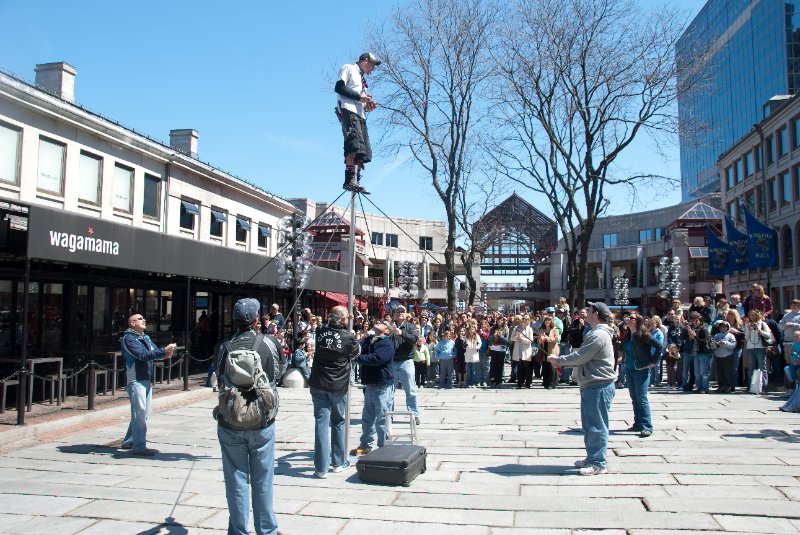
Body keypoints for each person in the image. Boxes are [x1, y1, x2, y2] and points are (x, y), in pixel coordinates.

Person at [215, 298, 282, 535]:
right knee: (263, 479)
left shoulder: (225, 346)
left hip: (232, 419)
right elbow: (278, 373)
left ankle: (238, 530)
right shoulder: (268, 343)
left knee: (236, 479)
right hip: (262, 418)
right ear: (256, 319)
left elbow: (217, 374)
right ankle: (267, 530)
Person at [547, 302, 617, 475]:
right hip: (592, 384)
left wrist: (559, 360)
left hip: (598, 385)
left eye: (590, 310)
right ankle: (592, 457)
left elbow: (581, 356)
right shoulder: (596, 333)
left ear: (596, 314)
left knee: (597, 426)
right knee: (590, 425)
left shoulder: (598, 335)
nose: (585, 313)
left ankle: (598, 463)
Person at [308, 305, 360, 479]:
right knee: (338, 421)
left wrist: (345, 318)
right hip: (337, 384)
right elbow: (355, 353)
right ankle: (337, 462)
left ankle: (321, 468)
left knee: (321, 423)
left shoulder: (321, 331)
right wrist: (349, 324)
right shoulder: (348, 337)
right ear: (344, 320)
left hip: (318, 382)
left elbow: (332, 324)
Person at [120, 313, 176, 456]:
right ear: (132, 323)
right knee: (139, 414)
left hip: (145, 379)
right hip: (135, 380)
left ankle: (129, 440)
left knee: (143, 414)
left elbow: (153, 352)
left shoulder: (145, 337)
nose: (143, 320)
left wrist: (164, 354)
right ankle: (139, 447)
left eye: (143, 318)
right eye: (139, 319)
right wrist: (163, 351)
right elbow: (143, 355)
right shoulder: (129, 339)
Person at [335, 52, 381, 192]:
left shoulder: (362, 80)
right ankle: (348, 180)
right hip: (348, 111)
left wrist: (368, 106)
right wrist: (359, 97)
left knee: (363, 150)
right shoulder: (348, 68)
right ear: (366, 61)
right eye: (373, 65)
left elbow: (360, 101)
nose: (373, 69)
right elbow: (339, 88)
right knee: (353, 145)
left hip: (360, 115)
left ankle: (356, 180)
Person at [351, 320, 395, 456]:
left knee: (382, 419)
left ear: (387, 331)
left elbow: (377, 358)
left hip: (382, 384)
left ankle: (384, 446)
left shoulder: (386, 343)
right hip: (370, 384)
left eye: (383, 323)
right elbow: (355, 348)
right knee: (367, 417)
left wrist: (358, 358)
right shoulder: (370, 340)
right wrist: (363, 338)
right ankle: (365, 444)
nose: (378, 322)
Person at [624, 314, 661, 437]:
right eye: (628, 317)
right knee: (634, 398)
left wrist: (653, 362)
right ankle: (638, 423)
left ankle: (647, 426)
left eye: (632, 318)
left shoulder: (643, 334)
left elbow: (659, 346)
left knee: (641, 398)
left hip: (641, 369)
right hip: (630, 369)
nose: (629, 319)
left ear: (638, 321)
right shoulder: (628, 335)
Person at [390, 306, 421, 423]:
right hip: (393, 361)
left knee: (411, 390)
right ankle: (389, 414)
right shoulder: (390, 326)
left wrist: (402, 332)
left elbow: (414, 339)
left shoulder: (410, 327)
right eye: (398, 312)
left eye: (402, 311)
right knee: (389, 391)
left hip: (406, 362)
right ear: (394, 315)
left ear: (406, 314)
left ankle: (414, 414)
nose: (400, 313)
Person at [680, 312, 712, 393]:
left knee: (703, 372)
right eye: (694, 320)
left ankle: (705, 388)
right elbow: (683, 338)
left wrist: (694, 337)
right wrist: (688, 332)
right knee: (697, 372)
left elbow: (704, 342)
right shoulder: (692, 329)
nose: (695, 322)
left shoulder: (704, 330)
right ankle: (698, 387)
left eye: (697, 320)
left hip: (704, 353)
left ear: (700, 321)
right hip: (696, 353)